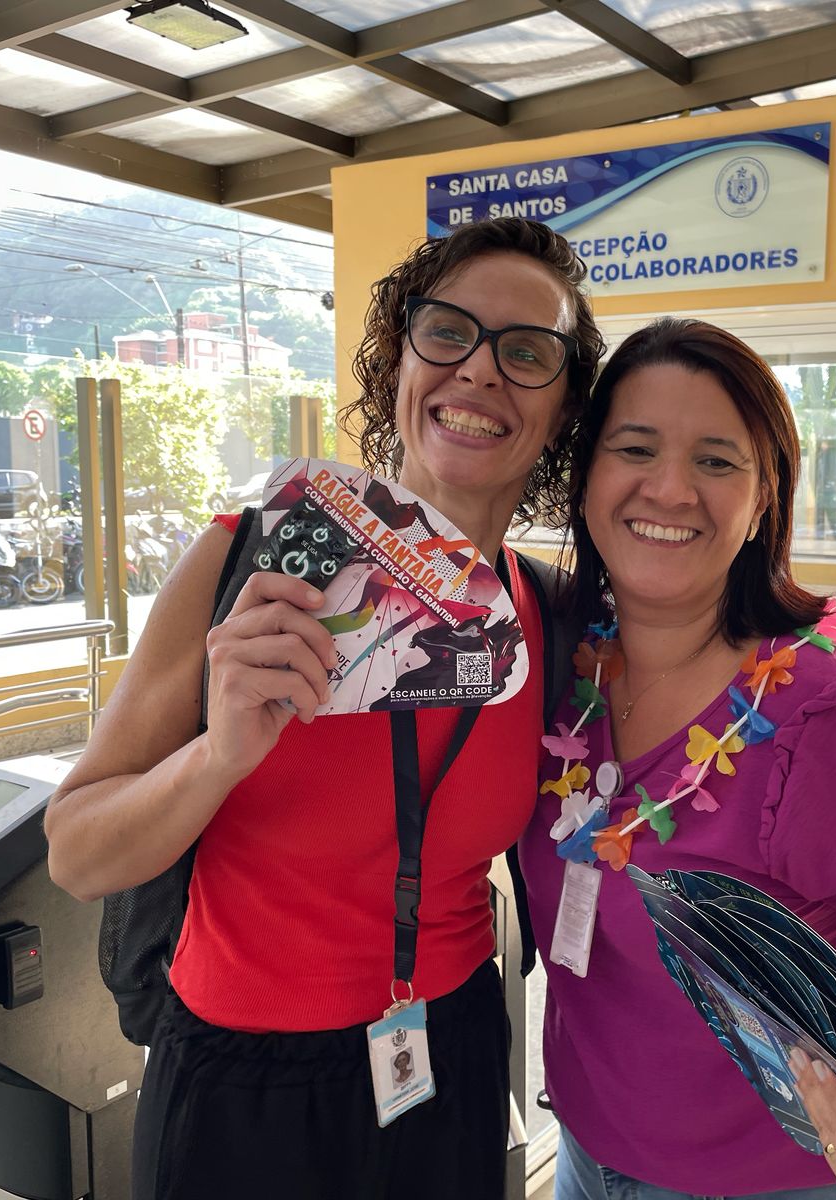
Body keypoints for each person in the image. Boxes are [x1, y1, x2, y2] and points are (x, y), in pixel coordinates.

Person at [44, 217, 605, 1200]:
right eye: (447, 332)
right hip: (239, 1084)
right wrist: (217, 755)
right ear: (398, 364)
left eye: (527, 353)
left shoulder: (550, 624)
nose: (479, 370)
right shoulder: (250, 558)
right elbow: (78, 855)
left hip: (452, 1054)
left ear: (563, 413)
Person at [520, 318, 836, 1200]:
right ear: (585, 477)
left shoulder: (830, 720)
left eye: (716, 461)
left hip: (777, 1183)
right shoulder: (563, 667)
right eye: (635, 448)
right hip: (588, 1161)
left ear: (762, 502)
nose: (671, 488)